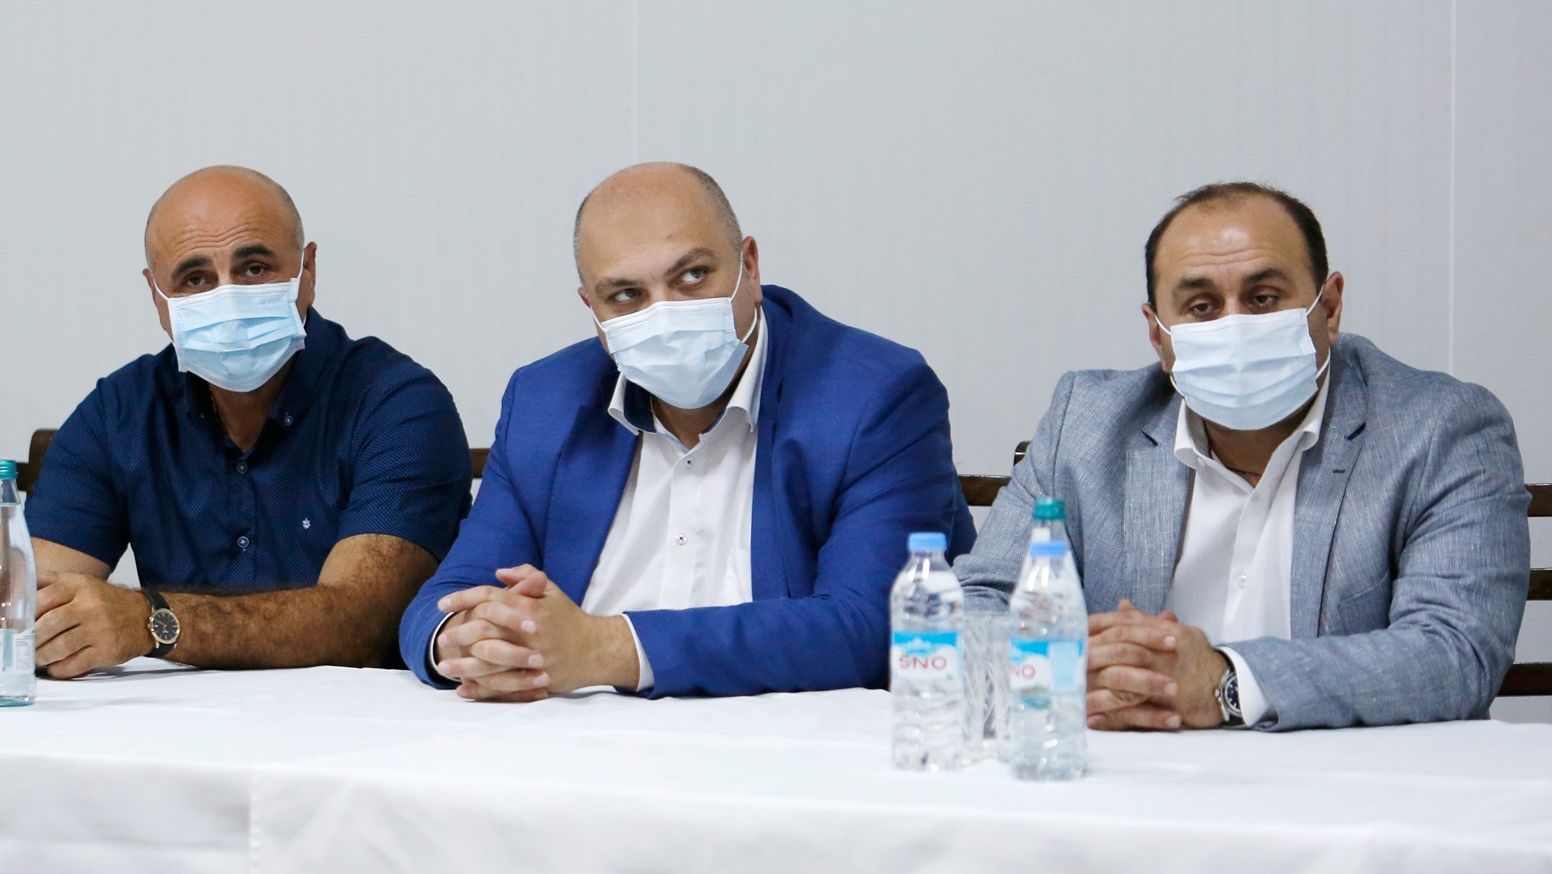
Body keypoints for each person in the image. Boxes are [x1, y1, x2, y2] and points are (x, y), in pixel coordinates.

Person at [955, 181, 1530, 731]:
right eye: (1202, 306)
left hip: (1349, 777)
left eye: (1263, 299)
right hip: (1133, 769)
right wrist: (1071, 672)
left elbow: (1456, 652)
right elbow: (980, 605)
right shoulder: (1087, 422)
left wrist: (1225, 684)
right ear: (1158, 337)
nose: (1234, 326)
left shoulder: (1440, 429)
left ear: (1329, 308)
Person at [399, 162, 974, 701]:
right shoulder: (545, 401)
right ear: (592, 309)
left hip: (788, 749)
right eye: (626, 295)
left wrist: (606, 649)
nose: (665, 313)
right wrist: (466, 641)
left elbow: (873, 626)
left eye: (692, 276)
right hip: (574, 747)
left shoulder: (873, 394)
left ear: (750, 267)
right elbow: (444, 600)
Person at [25, 166, 472, 678]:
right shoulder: (120, 413)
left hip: (355, 717)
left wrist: (152, 622)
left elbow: (362, 625)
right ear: (156, 295)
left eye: (255, 269)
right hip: (173, 718)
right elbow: (26, 603)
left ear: (307, 270)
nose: (228, 299)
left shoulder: (396, 402)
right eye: (195, 279)